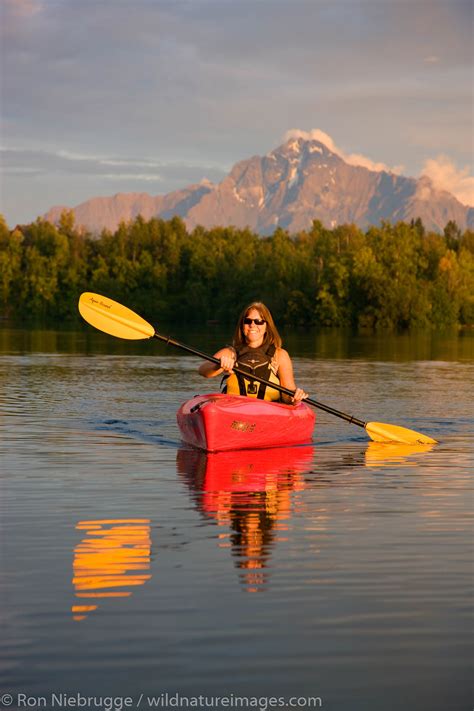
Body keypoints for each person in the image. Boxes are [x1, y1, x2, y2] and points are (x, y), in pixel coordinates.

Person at [198, 302, 307, 404]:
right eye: (248, 321)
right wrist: (218, 366)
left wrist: (294, 397)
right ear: (242, 325)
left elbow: (287, 394)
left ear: (267, 327)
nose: (252, 325)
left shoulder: (280, 355)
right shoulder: (231, 353)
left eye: (259, 321)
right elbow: (203, 370)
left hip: (269, 414)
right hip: (234, 411)